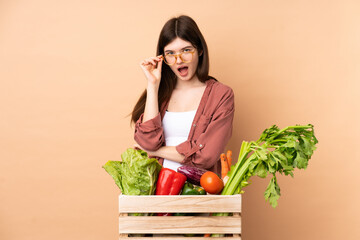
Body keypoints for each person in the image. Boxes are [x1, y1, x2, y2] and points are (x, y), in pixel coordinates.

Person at [131, 15, 234, 176]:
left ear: (199, 50)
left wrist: (157, 151)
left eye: (186, 50)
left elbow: (206, 156)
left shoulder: (221, 95)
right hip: (157, 192)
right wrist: (152, 85)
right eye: (170, 53)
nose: (178, 60)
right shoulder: (160, 94)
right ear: (163, 58)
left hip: (201, 193)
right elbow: (147, 141)